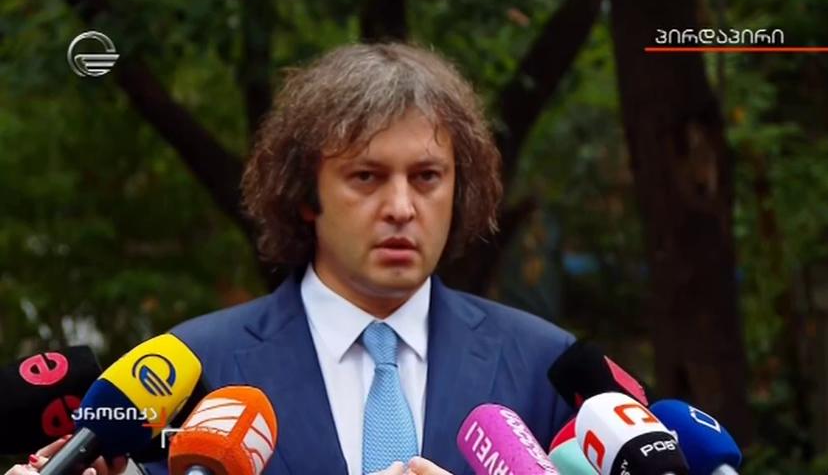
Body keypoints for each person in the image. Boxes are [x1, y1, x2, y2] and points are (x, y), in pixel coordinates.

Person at [13, 42, 575, 475]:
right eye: (367, 176)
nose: (402, 208)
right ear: (306, 194)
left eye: (427, 176)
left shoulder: (547, 369)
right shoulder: (191, 371)